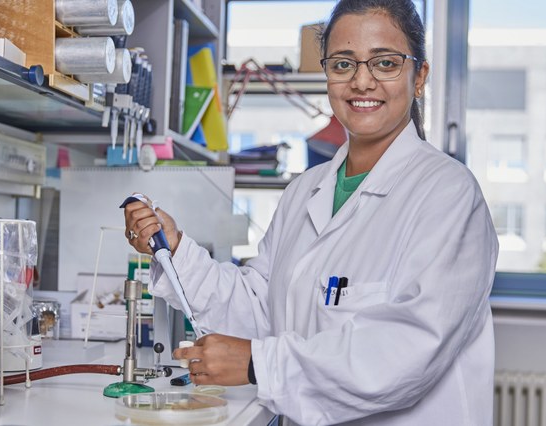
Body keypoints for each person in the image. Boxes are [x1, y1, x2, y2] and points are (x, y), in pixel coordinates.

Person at [123, 0, 499, 424]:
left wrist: (257, 364)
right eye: (342, 64)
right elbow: (263, 307)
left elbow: (407, 349)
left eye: (385, 63)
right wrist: (174, 250)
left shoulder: (448, 195)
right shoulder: (305, 190)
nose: (362, 81)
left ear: (419, 77)